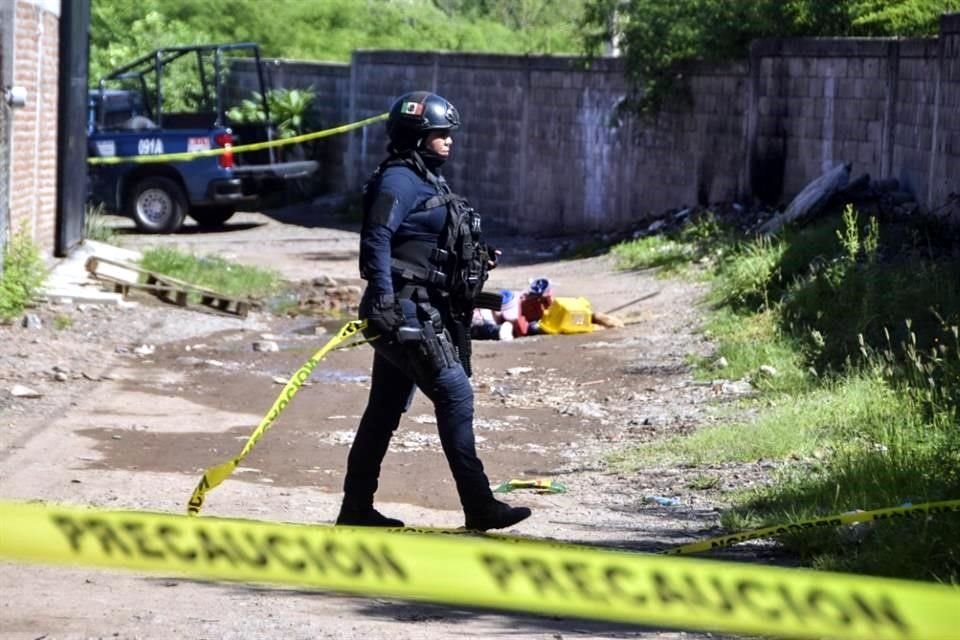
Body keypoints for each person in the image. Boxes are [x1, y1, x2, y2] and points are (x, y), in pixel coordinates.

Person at [336, 91, 532, 531]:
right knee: (455, 394)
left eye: (449, 134)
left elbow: (426, 243)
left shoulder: (427, 179)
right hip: (403, 313)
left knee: (383, 410)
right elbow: (377, 240)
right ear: (416, 137)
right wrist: (385, 300)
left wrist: (475, 260)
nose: (449, 141)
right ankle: (480, 505)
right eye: (440, 134)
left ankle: (355, 508)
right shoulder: (398, 181)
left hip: (419, 308)